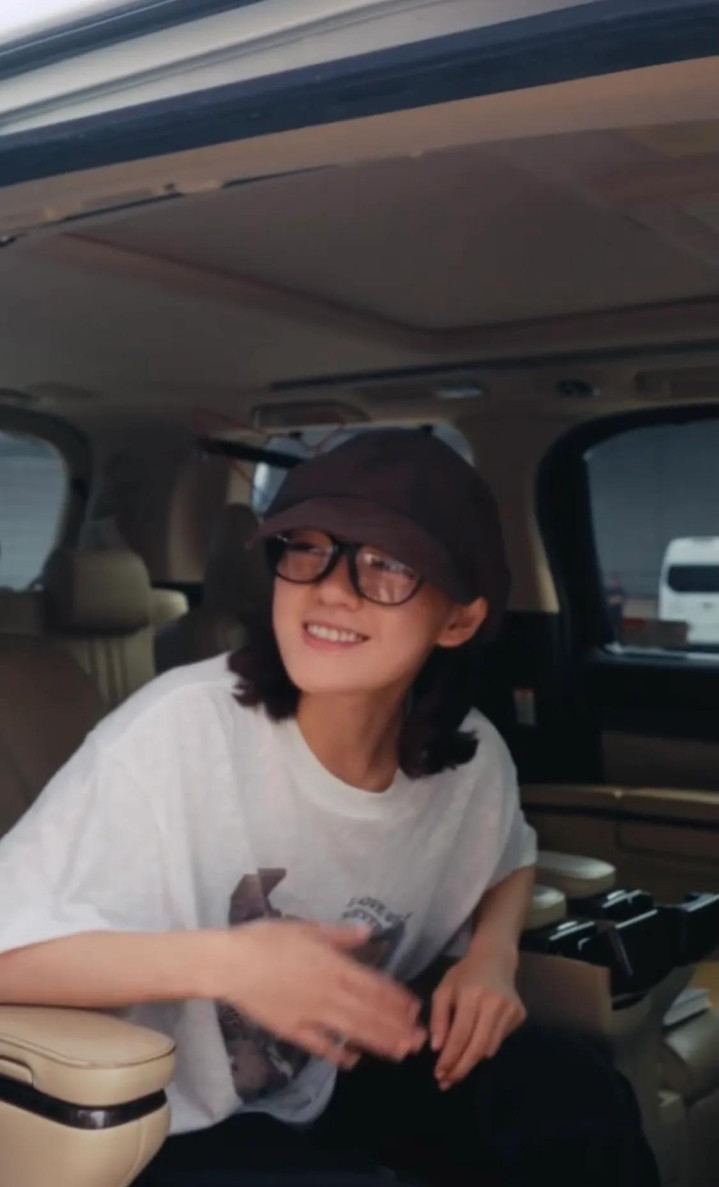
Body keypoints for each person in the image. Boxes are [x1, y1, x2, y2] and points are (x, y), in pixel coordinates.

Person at [0, 430, 658, 1187]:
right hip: (159, 1123)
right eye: (307, 549)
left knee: (569, 1092)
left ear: (459, 620)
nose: (332, 588)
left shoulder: (469, 758)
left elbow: (509, 858)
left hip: (326, 1083)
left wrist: (492, 959)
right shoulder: (175, 732)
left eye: (388, 564)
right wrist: (228, 962)